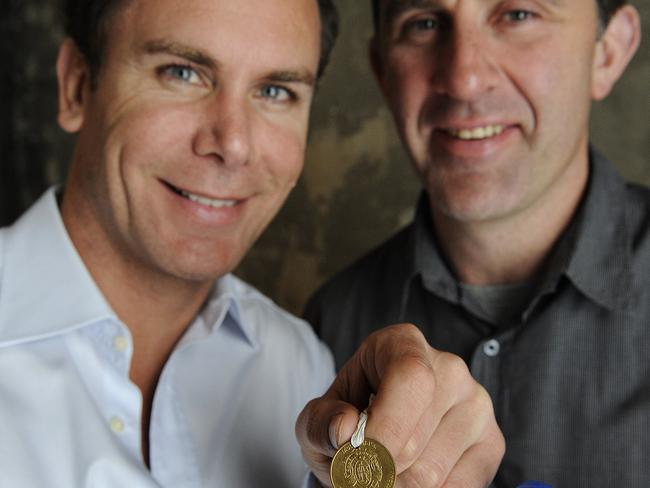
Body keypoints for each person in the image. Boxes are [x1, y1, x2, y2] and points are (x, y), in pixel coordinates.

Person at [0, 0, 507, 487]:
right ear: (76, 86)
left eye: (275, 91)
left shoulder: (303, 364)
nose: (234, 144)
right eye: (182, 72)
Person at [305, 0, 648, 486]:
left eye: (518, 15)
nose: (463, 79)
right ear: (383, 70)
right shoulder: (323, 335)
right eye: (423, 24)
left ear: (608, 51)